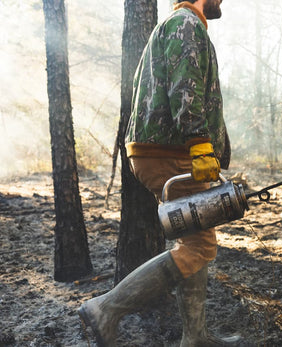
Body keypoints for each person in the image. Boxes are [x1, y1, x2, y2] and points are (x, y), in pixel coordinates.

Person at [78, 0, 243, 346]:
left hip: (165, 150)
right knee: (199, 246)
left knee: (195, 242)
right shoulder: (185, 24)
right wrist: (199, 143)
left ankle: (195, 336)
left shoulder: (177, 25)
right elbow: (186, 88)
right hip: (174, 152)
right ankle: (104, 309)